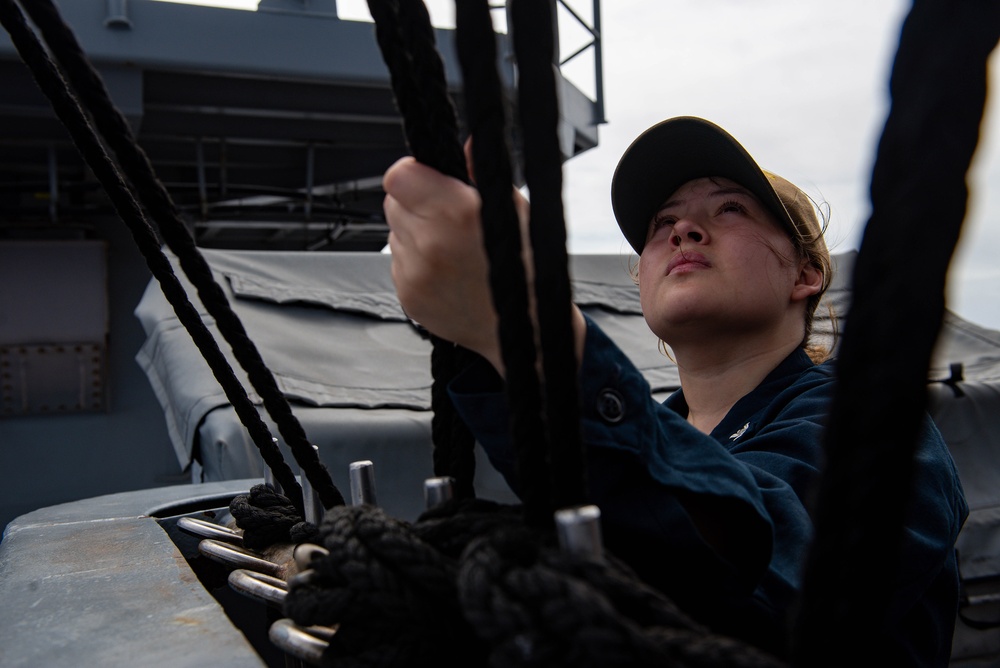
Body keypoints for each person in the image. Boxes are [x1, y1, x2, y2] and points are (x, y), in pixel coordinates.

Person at [382, 116, 968, 665]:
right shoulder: (646, 439)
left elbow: (771, 572)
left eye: (730, 208)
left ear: (805, 274)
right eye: (662, 224)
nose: (682, 230)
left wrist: (527, 334)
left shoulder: (878, 427)